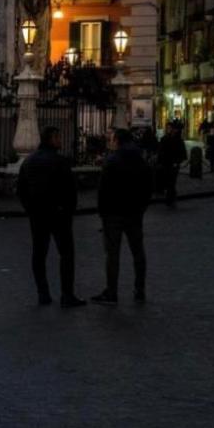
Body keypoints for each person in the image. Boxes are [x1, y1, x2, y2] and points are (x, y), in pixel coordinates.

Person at [16, 126, 84, 308]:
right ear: (52, 139)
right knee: (66, 254)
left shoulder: (29, 161)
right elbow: (71, 191)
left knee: (39, 254)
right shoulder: (60, 162)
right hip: (59, 214)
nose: (60, 141)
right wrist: (68, 211)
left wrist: (30, 209)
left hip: (37, 214)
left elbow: (21, 190)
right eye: (58, 138)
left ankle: (43, 293)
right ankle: (67, 295)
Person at [93, 128, 152, 306]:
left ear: (117, 140)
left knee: (112, 254)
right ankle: (139, 289)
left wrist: (102, 212)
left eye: (112, 138)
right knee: (138, 251)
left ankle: (112, 292)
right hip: (134, 211)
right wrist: (142, 206)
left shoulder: (112, 160)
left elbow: (103, 189)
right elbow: (149, 184)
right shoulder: (140, 159)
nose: (110, 141)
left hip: (113, 212)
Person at [157, 121, 188, 208]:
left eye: (171, 128)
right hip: (165, 163)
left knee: (171, 182)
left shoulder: (178, 140)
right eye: (168, 128)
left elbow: (182, 154)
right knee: (168, 182)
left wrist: (177, 162)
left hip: (173, 164)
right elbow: (161, 151)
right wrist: (160, 161)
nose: (169, 130)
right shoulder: (164, 139)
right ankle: (171, 197)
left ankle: (170, 199)